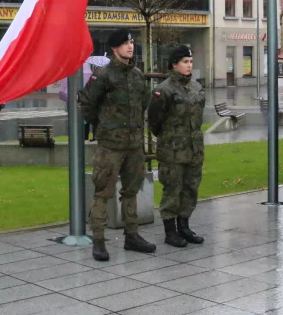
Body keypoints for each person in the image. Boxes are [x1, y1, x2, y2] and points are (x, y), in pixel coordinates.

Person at [79, 28, 156, 262]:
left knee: (131, 190)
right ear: (114, 48)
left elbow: (144, 103)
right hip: (110, 145)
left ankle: (132, 235)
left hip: (133, 145)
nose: (130, 47)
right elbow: (87, 105)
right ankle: (99, 241)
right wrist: (103, 126)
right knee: (103, 192)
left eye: (131, 42)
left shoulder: (136, 75)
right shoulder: (102, 75)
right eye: (124, 44)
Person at [148, 45, 206, 247]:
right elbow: (154, 121)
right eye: (185, 62)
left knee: (191, 188)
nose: (189, 66)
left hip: (194, 149)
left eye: (190, 62)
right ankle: (170, 231)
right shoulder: (163, 90)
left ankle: (184, 226)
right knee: (172, 189)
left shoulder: (197, 87)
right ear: (174, 65)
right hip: (172, 150)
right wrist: (169, 137)